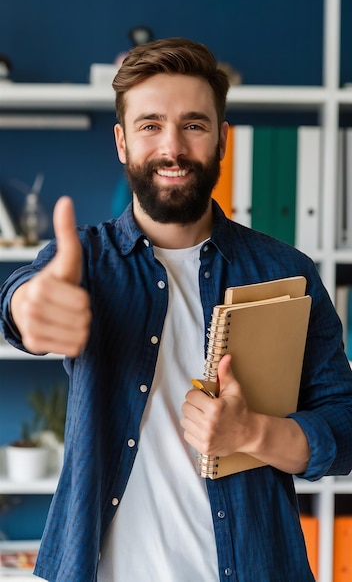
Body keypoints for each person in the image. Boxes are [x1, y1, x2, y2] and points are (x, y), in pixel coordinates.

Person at [0, 37, 352, 582]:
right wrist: (30, 308)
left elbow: (344, 430)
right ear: (121, 142)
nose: (173, 146)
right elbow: (22, 296)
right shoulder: (85, 261)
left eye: (194, 124)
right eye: (149, 125)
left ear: (221, 140)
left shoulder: (289, 271)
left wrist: (253, 433)